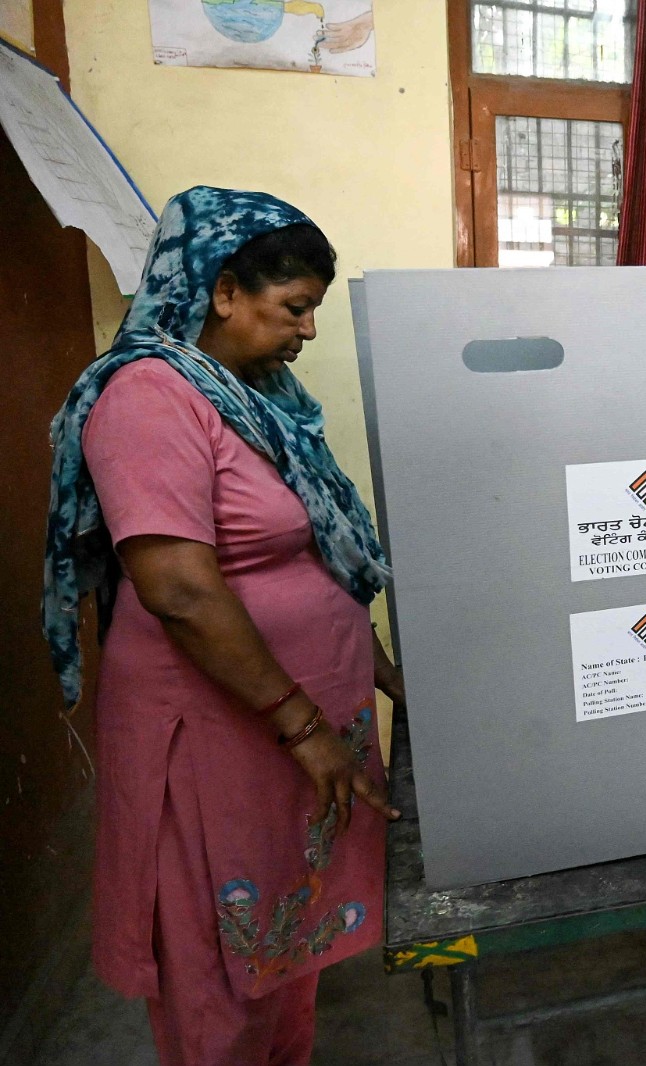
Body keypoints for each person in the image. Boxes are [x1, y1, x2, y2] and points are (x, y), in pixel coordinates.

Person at [41, 187, 405, 1065]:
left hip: (296, 723)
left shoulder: (263, 396)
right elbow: (179, 589)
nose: (308, 332)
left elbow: (322, 547)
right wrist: (303, 725)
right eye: (295, 308)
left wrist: (381, 665)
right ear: (224, 290)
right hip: (220, 729)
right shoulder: (148, 399)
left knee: (286, 948)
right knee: (215, 963)